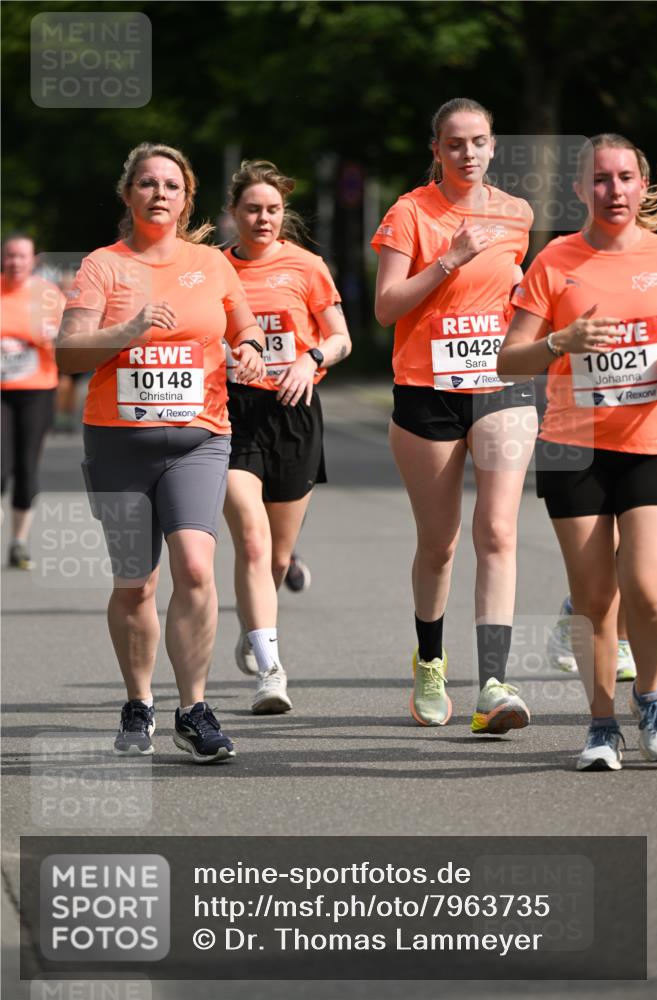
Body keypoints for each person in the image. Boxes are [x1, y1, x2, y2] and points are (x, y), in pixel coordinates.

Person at [56, 142, 266, 763]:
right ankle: (138, 702)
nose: (159, 194)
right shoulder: (103, 266)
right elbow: (68, 354)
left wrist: (250, 348)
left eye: (171, 186)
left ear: (186, 199)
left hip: (200, 438)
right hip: (118, 443)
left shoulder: (212, 263)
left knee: (196, 568)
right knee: (135, 584)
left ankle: (194, 710)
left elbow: (245, 325)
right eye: (147, 183)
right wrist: (130, 330)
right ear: (128, 195)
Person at [497, 133, 657, 770]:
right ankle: (601, 725)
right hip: (574, 448)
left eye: (624, 178)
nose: (613, 190)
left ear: (643, 185)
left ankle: (650, 695)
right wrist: (559, 342)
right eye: (599, 179)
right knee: (594, 598)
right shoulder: (555, 260)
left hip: (652, 441)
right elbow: (507, 360)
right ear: (579, 189)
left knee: (649, 590)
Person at [371, 98, 536, 733]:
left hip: (500, 384)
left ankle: (493, 683)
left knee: (497, 531)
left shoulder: (516, 213)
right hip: (427, 392)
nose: (468, 152)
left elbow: (518, 292)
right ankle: (430, 661)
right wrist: (451, 258)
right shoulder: (410, 213)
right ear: (436, 150)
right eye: (455, 143)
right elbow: (387, 307)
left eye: (479, 141)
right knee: (439, 544)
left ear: (493, 146)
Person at [222, 159, 352, 713]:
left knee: (276, 558)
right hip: (231, 412)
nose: (264, 218)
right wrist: (227, 355)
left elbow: (342, 338)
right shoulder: (214, 268)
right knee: (252, 541)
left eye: (273, 209)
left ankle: (254, 628)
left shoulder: (306, 266)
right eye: (253, 208)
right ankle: (271, 672)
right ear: (233, 213)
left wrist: (311, 357)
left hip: (295, 412)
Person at [1, 234, 64, 569]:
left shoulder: (47, 295)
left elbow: (70, 340)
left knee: (26, 466)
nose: (15, 262)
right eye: (10, 256)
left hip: (37, 388)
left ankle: (18, 542)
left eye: (21, 256)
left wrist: (52, 337)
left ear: (33, 260)